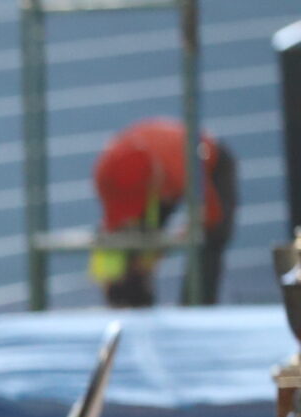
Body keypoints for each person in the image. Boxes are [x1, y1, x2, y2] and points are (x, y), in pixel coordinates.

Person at [91, 118, 238, 307]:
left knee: (210, 238)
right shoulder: (107, 173)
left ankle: (195, 307)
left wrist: (176, 239)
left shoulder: (182, 168)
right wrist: (117, 275)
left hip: (208, 162)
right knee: (132, 238)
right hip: (158, 171)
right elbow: (114, 227)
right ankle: (132, 301)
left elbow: (212, 216)